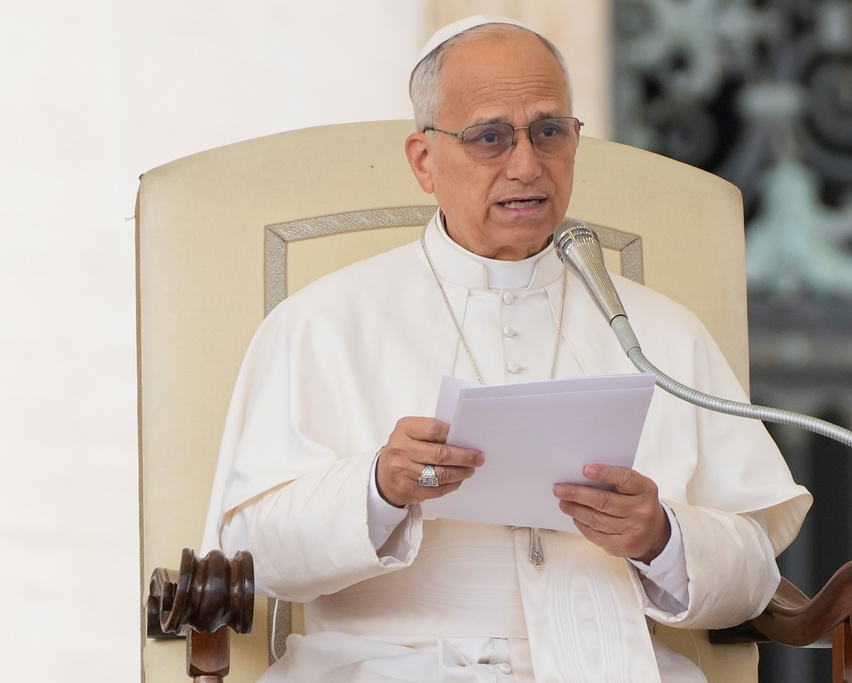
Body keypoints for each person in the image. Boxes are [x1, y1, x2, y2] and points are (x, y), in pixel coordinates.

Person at [201, 15, 811, 683]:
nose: (526, 164)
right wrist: (380, 487)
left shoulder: (661, 334)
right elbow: (250, 556)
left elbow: (754, 573)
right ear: (424, 161)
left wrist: (659, 535)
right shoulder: (320, 323)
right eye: (489, 137)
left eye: (549, 132)